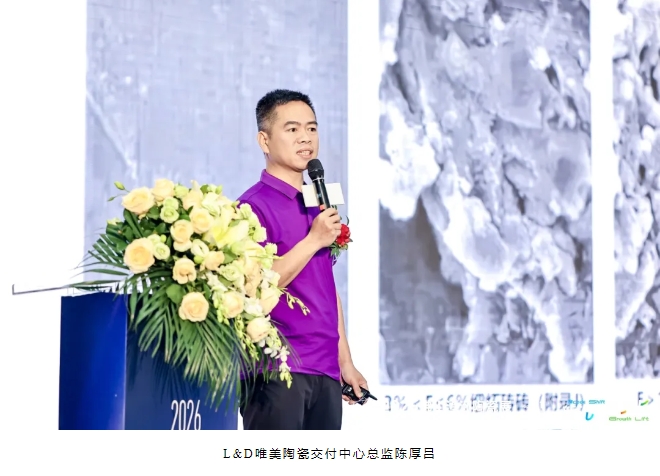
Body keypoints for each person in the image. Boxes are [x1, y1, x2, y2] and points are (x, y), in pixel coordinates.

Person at [237, 89, 367, 430]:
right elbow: (254, 290)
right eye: (292, 129)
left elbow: (325, 287)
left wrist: (345, 362)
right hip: (276, 369)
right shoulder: (251, 207)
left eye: (311, 128)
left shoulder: (317, 205)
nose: (305, 138)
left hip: (325, 369)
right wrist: (313, 240)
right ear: (264, 140)